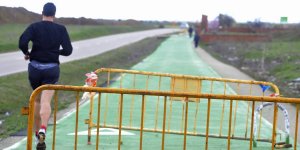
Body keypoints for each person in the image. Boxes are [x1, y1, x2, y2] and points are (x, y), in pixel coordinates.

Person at [19, 2, 72, 149]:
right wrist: (56, 52)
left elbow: (22, 42)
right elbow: (68, 50)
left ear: (42, 12)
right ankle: (43, 128)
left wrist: (27, 53)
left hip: (35, 68)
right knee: (46, 101)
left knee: (36, 100)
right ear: (54, 14)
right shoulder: (61, 29)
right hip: (51, 69)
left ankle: (37, 135)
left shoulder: (34, 27)